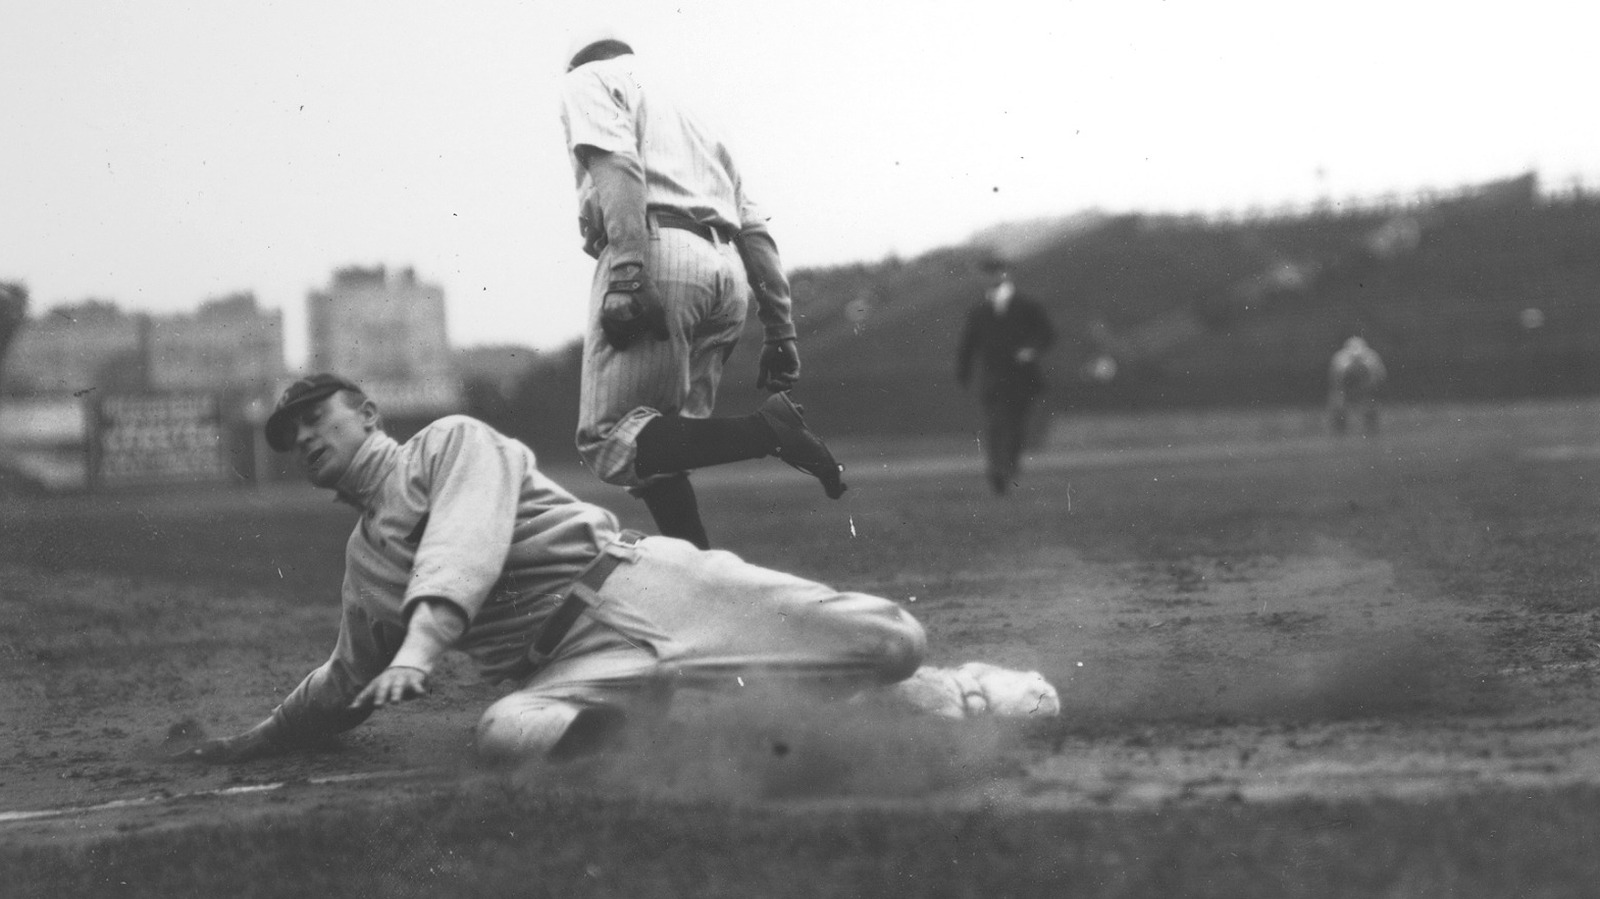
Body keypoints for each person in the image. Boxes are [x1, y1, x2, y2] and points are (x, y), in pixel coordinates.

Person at [176, 375, 1058, 765]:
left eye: (318, 418)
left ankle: (935, 690)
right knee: (506, 730)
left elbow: (465, 544)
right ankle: (707, 737)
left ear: (364, 412)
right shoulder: (366, 566)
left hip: (646, 585)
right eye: (295, 441)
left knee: (892, 640)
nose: (308, 440)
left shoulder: (450, 442)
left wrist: (426, 639)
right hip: (571, 667)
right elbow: (342, 679)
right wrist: (257, 738)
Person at [558, 31, 844, 552]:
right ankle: (703, 568)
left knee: (610, 439)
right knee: (663, 445)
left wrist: (626, 270)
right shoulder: (693, 113)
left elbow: (618, 166)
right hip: (725, 270)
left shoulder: (587, 79)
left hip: (656, 251)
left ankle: (769, 431)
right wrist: (781, 330)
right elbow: (755, 230)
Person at [956, 258, 1057, 494]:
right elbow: (967, 346)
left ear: (1007, 274)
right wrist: (964, 373)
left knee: (1015, 426)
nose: (992, 278)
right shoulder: (978, 312)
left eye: (996, 272)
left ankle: (1008, 467)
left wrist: (1031, 350)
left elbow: (1047, 334)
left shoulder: (1028, 307)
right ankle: (998, 470)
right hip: (993, 380)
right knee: (996, 425)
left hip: (1022, 379)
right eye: (988, 273)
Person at [1327, 336, 1387, 436]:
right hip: (1345, 387)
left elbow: (1380, 376)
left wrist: (1370, 389)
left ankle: (1372, 431)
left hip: (1366, 386)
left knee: (1371, 406)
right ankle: (1339, 432)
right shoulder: (1340, 359)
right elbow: (1335, 379)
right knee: (1338, 405)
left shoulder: (1372, 358)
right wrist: (1342, 392)